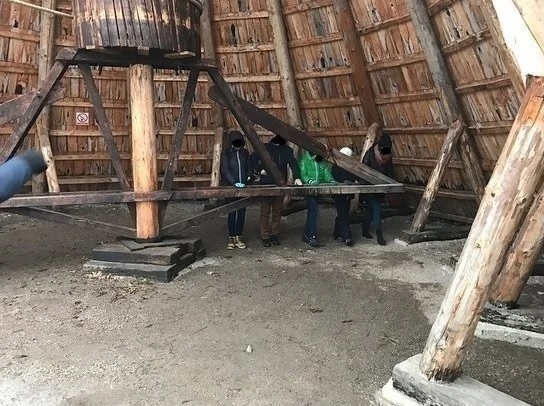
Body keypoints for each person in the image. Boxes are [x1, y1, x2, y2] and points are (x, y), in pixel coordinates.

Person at [252, 134, 302, 247]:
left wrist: (297, 177)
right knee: (265, 212)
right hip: (266, 184)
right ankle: (265, 236)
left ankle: (274, 234)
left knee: (277, 211)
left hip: (280, 184)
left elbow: (293, 163)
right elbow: (253, 158)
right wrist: (259, 170)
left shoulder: (286, 150)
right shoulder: (264, 148)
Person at [220, 130, 252, 250]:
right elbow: (225, 169)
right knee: (232, 212)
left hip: (243, 186)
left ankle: (239, 236)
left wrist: (247, 178)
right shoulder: (226, 153)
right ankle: (231, 237)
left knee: (241, 212)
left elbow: (249, 167)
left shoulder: (245, 153)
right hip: (230, 187)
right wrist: (234, 182)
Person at [361, 134, 394, 245]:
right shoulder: (370, 154)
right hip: (369, 187)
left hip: (381, 187)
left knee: (371, 210)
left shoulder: (387, 154)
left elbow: (390, 170)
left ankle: (365, 229)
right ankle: (379, 234)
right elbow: (363, 171)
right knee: (377, 208)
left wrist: (391, 183)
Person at [299, 150, 336, 247]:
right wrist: (310, 181)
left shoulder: (320, 160)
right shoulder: (304, 161)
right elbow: (303, 175)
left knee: (312, 213)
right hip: (309, 191)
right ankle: (312, 236)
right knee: (314, 212)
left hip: (318, 191)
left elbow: (326, 172)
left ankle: (307, 234)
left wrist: (330, 180)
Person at [332, 147, 358, 246]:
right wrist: (344, 182)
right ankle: (346, 236)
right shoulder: (336, 167)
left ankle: (336, 233)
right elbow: (334, 179)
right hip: (339, 195)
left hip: (347, 195)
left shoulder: (351, 167)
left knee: (343, 214)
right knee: (344, 215)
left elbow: (354, 178)